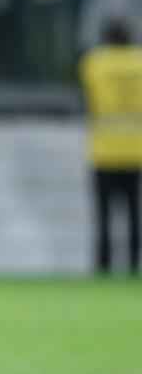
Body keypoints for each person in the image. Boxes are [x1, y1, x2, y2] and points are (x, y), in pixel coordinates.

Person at [78, 19, 142, 275]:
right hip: (136, 149)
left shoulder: (94, 63)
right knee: (134, 215)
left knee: (104, 217)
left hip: (103, 150)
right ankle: (133, 267)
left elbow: (86, 98)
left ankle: (103, 268)